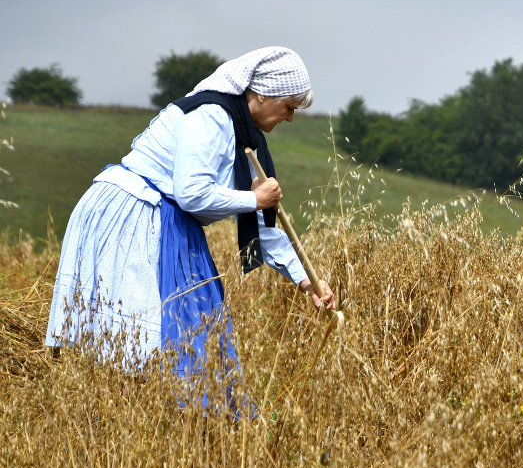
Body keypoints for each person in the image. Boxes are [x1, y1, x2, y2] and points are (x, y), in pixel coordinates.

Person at [45, 47, 335, 406]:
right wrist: (253, 199)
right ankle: (116, 429)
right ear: (262, 94)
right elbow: (192, 193)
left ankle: (143, 431)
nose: (290, 118)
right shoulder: (212, 115)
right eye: (289, 107)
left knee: (169, 341)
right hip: (134, 214)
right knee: (138, 346)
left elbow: (262, 227)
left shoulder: (245, 135)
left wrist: (307, 280)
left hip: (163, 220)